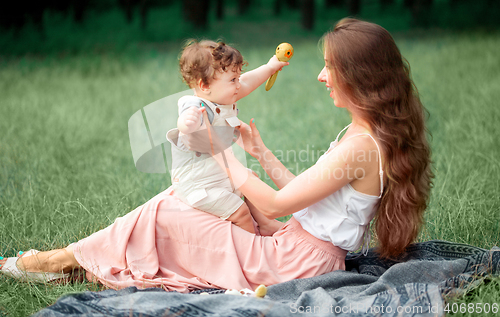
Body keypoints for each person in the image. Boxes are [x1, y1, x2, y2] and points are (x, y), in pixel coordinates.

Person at [0, 18, 433, 294]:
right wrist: (258, 151)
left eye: (329, 67)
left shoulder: (361, 145)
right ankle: (70, 262)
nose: (321, 76)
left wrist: (220, 154)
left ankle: (57, 261)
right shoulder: (361, 135)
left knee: (169, 212)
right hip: (295, 247)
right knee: (175, 201)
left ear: (360, 76)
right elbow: (301, 196)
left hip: (295, 263)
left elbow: (280, 205)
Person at [167, 40, 287, 234]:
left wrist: (270, 67)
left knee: (252, 180)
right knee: (240, 212)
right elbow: (183, 122)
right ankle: (251, 244)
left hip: (220, 175)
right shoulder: (195, 105)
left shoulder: (221, 97)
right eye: (233, 80)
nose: (239, 85)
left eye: (237, 78)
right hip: (199, 186)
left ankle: (266, 224)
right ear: (204, 85)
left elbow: (248, 82)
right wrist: (186, 123)